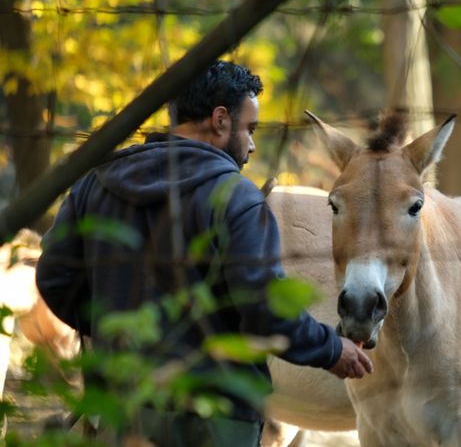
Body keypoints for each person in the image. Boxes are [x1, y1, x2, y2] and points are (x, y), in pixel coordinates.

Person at [36, 60, 372, 446]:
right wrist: (332, 350)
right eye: (250, 129)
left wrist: (113, 328)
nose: (252, 144)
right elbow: (264, 306)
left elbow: (54, 276)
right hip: (216, 418)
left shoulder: (98, 184)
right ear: (220, 120)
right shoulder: (235, 197)